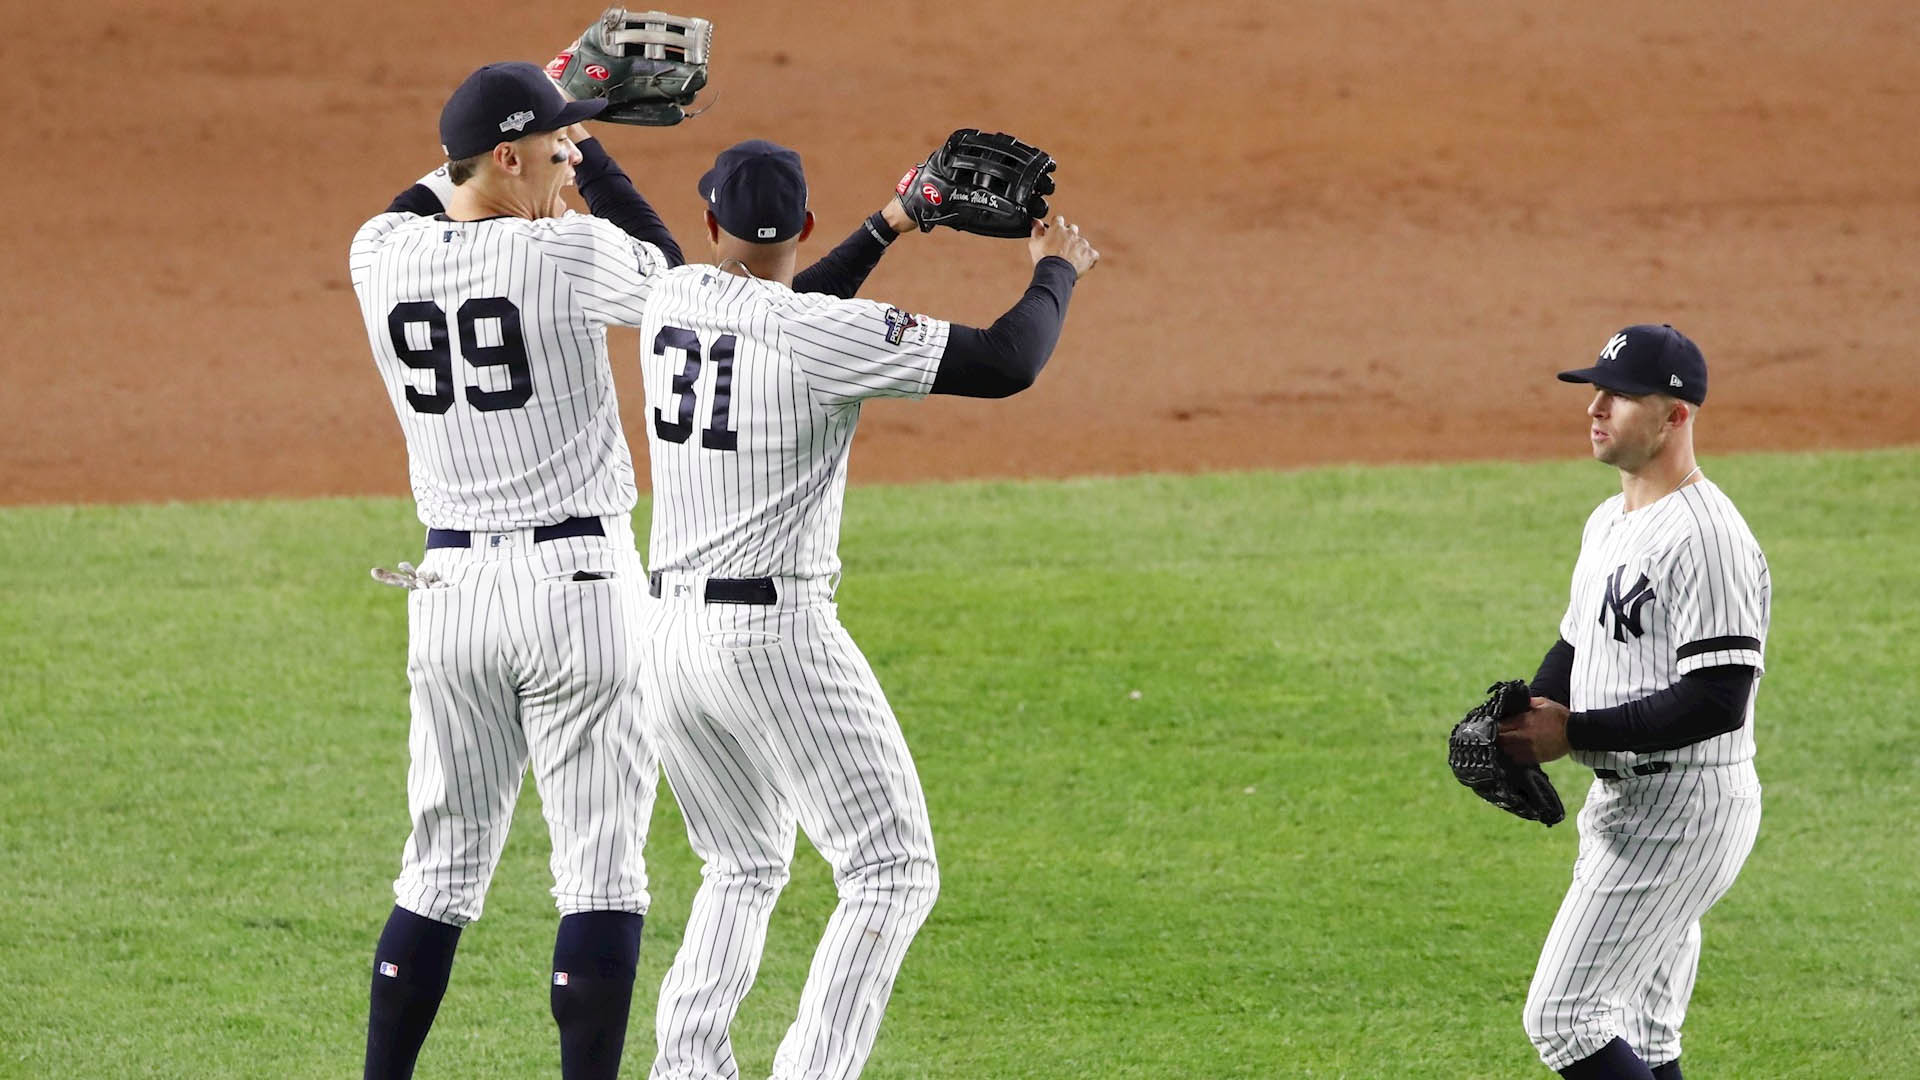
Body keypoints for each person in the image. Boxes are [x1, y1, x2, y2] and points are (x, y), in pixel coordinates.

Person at [631, 139, 1099, 1080]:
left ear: (712, 224)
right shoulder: (821, 336)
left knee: (741, 865)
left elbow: (787, 302)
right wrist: (1058, 268)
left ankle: (685, 1071)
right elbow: (1009, 361)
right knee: (890, 871)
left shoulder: (672, 294)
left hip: (667, 641)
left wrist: (896, 220)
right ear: (802, 227)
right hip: (773, 639)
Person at [347, 60, 679, 1080]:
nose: (568, 158)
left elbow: (429, 189)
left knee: (438, 869)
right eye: (553, 145)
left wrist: (547, 102)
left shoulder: (378, 252)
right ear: (506, 154)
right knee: (600, 872)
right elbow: (677, 283)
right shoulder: (567, 252)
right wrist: (603, 168)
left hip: (447, 597)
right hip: (578, 589)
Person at [1497, 325, 1770, 1080]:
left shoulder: (1708, 539)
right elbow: (1577, 644)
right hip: (1632, 803)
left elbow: (1718, 699)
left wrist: (1572, 732)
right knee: (1644, 1033)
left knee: (1564, 1017)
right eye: (1596, 390)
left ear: (1675, 415)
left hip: (1681, 812)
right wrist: (1532, 710)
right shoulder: (1609, 520)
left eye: (1619, 396)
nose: (1596, 407)